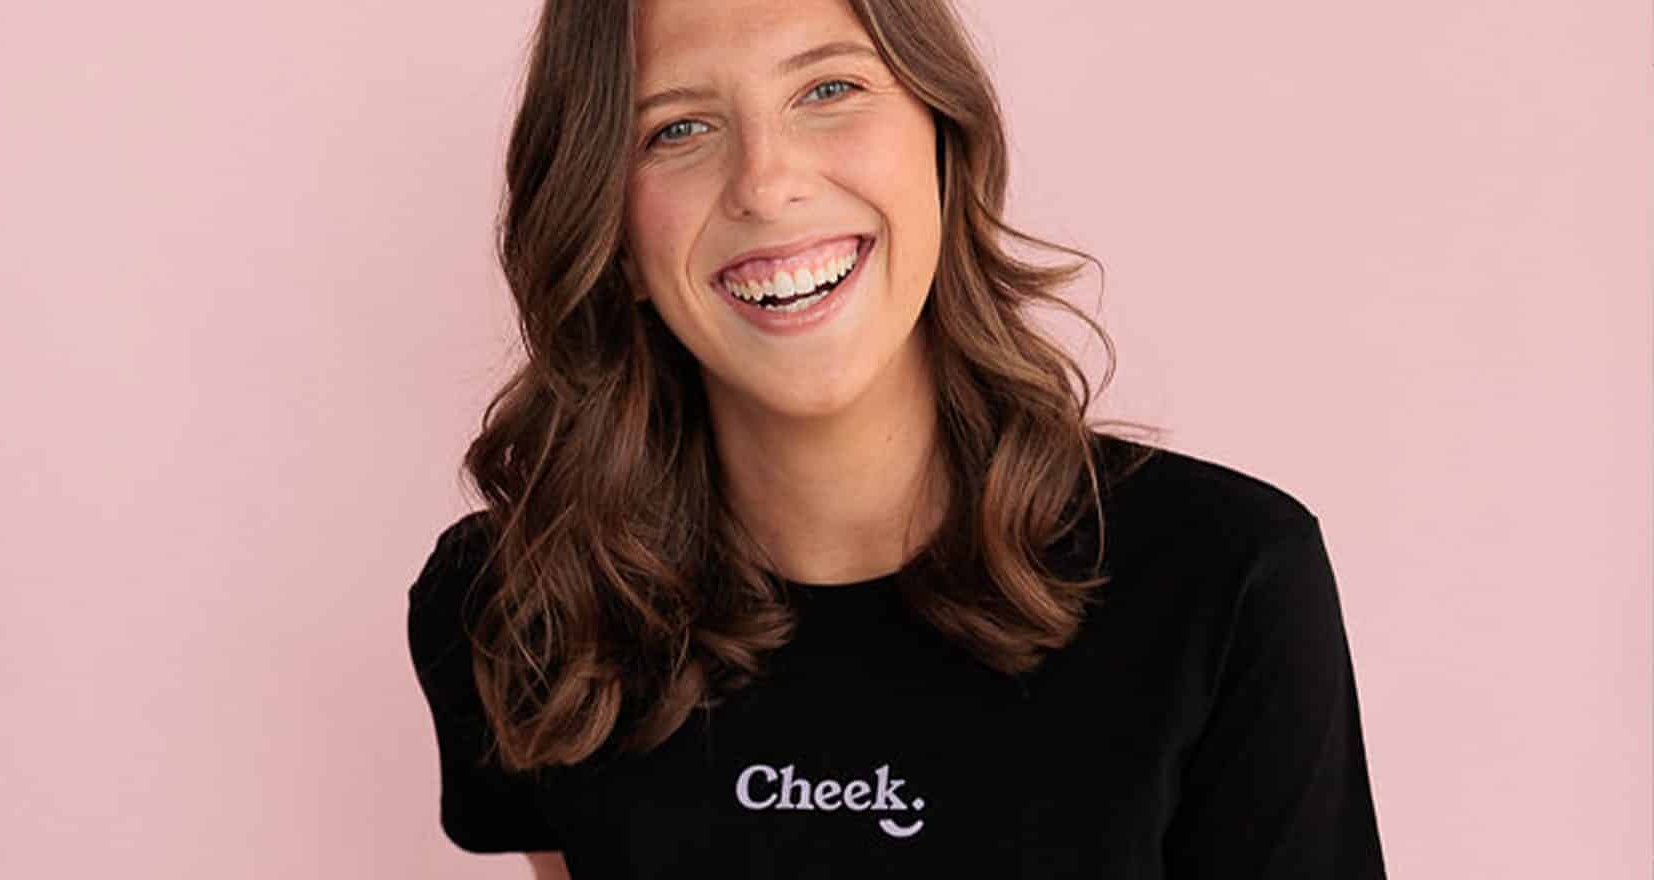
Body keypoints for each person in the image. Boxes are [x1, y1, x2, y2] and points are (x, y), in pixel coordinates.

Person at [405, 0, 1389, 876]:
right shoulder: (516, 603)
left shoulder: (1224, 577)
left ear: (944, 145)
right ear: (610, 231)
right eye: (679, 127)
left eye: (829, 87)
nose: (767, 181)